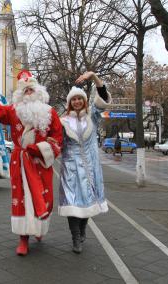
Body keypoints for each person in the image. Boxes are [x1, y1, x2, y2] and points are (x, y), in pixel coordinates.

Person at [0, 71, 63, 256]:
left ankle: (38, 228)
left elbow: (57, 138)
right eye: (25, 90)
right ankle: (23, 238)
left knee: (45, 198)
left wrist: (42, 149)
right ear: (20, 94)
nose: (28, 92)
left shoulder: (49, 113)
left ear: (38, 92)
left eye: (31, 89)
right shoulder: (13, 111)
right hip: (20, 161)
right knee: (21, 198)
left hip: (40, 162)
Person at [58, 71, 111, 254]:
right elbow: (56, 141)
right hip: (71, 168)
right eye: (74, 100)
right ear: (70, 102)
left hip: (90, 167)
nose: (77, 102)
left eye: (80, 99)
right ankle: (75, 238)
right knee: (72, 203)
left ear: (84, 101)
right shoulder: (63, 121)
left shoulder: (92, 116)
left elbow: (103, 96)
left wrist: (94, 76)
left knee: (88, 201)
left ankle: (82, 231)